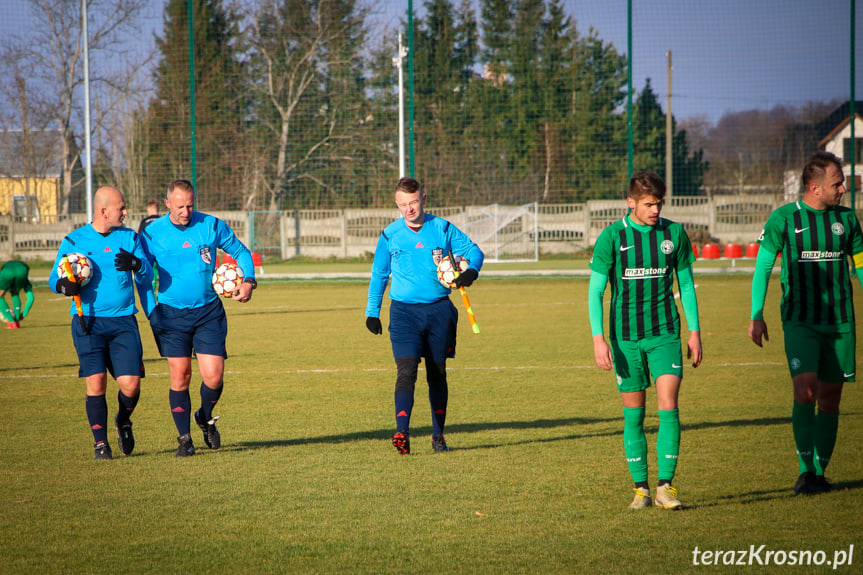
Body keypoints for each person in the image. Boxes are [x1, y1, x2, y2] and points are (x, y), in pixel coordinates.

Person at [749, 151, 863, 495]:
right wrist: (756, 314)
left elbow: (860, 265)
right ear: (815, 187)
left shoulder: (848, 221)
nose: (843, 189)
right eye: (837, 184)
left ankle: (819, 472)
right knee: (806, 390)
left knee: (830, 399)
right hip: (800, 320)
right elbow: (763, 267)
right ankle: (804, 470)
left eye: (842, 183)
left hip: (840, 321)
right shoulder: (783, 219)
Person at [588, 170, 702, 510]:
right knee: (633, 416)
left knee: (669, 407)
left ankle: (666, 486)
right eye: (649, 204)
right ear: (631, 203)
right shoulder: (612, 238)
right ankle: (642, 491)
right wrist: (598, 339)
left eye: (659, 203)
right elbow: (595, 293)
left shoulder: (674, 234)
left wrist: (694, 331)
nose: (656, 210)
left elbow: (686, 286)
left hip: (665, 333)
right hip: (624, 340)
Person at [365, 177, 484, 455]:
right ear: (397, 205)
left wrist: (471, 271)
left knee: (437, 374)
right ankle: (402, 433)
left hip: (439, 312)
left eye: (413, 202)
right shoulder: (389, 235)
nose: (409, 209)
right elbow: (380, 274)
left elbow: (474, 251)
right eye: (403, 205)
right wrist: (372, 312)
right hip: (404, 313)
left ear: (424, 199)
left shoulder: (442, 228)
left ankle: (438, 436)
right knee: (406, 370)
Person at [140, 179, 257, 457]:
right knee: (180, 376)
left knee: (214, 377)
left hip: (208, 312)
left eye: (190, 205)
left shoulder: (211, 225)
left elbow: (240, 251)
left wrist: (249, 281)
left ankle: (204, 416)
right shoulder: (151, 233)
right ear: (167, 204)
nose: (186, 211)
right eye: (180, 206)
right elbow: (142, 276)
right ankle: (185, 440)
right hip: (170, 313)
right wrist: (151, 311)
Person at [48, 186, 155, 460]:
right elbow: (54, 279)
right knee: (96, 383)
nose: (126, 212)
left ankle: (123, 420)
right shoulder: (74, 241)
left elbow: (147, 275)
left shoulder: (130, 237)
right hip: (88, 323)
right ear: (104, 210)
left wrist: (137, 265)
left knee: (131, 386)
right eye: (122, 207)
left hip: (123, 323)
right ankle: (100, 445)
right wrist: (64, 286)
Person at [0, 260, 35, 329]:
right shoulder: (26, 281)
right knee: (15, 293)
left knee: (0, 296)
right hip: (23, 271)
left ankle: (11, 322)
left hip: (7, 271)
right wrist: (24, 314)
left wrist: (5, 314)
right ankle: (16, 321)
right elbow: (31, 298)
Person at [138, 199, 161, 292]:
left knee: (150, 272)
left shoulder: (144, 221)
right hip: (160, 251)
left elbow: (140, 236)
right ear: (158, 209)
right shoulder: (161, 220)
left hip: (148, 252)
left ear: (148, 209)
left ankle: (152, 292)